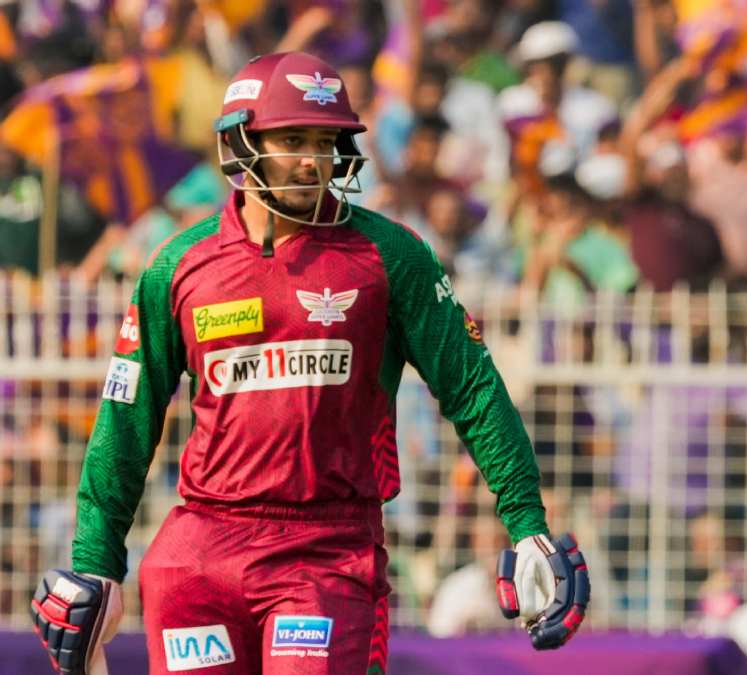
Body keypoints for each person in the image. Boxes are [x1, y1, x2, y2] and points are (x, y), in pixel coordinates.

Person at [29, 52, 588, 675]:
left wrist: (527, 522)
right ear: (240, 142)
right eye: (293, 139)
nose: (312, 161)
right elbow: (125, 420)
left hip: (327, 554)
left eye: (325, 142)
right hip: (199, 556)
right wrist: (96, 561)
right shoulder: (177, 266)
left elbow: (474, 389)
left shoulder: (390, 256)